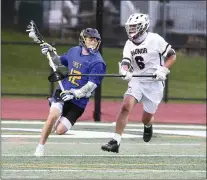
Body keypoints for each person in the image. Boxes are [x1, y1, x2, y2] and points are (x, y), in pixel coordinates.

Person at [101, 13, 176, 153]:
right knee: (125, 106)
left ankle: (148, 126)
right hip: (138, 80)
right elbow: (126, 60)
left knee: (146, 118)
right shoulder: (129, 43)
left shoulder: (155, 39)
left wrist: (163, 70)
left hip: (154, 83)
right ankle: (115, 141)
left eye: (134, 27)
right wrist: (124, 71)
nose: (131, 30)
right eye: (130, 27)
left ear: (143, 27)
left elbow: (172, 55)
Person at [34, 28, 106, 156]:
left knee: (60, 130)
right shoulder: (74, 51)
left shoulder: (98, 62)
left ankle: (56, 116)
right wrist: (50, 52)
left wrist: (74, 93)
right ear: (83, 40)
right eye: (91, 39)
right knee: (52, 117)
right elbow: (58, 62)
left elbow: (91, 86)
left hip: (79, 101)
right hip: (63, 90)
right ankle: (40, 147)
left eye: (96, 40)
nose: (93, 43)